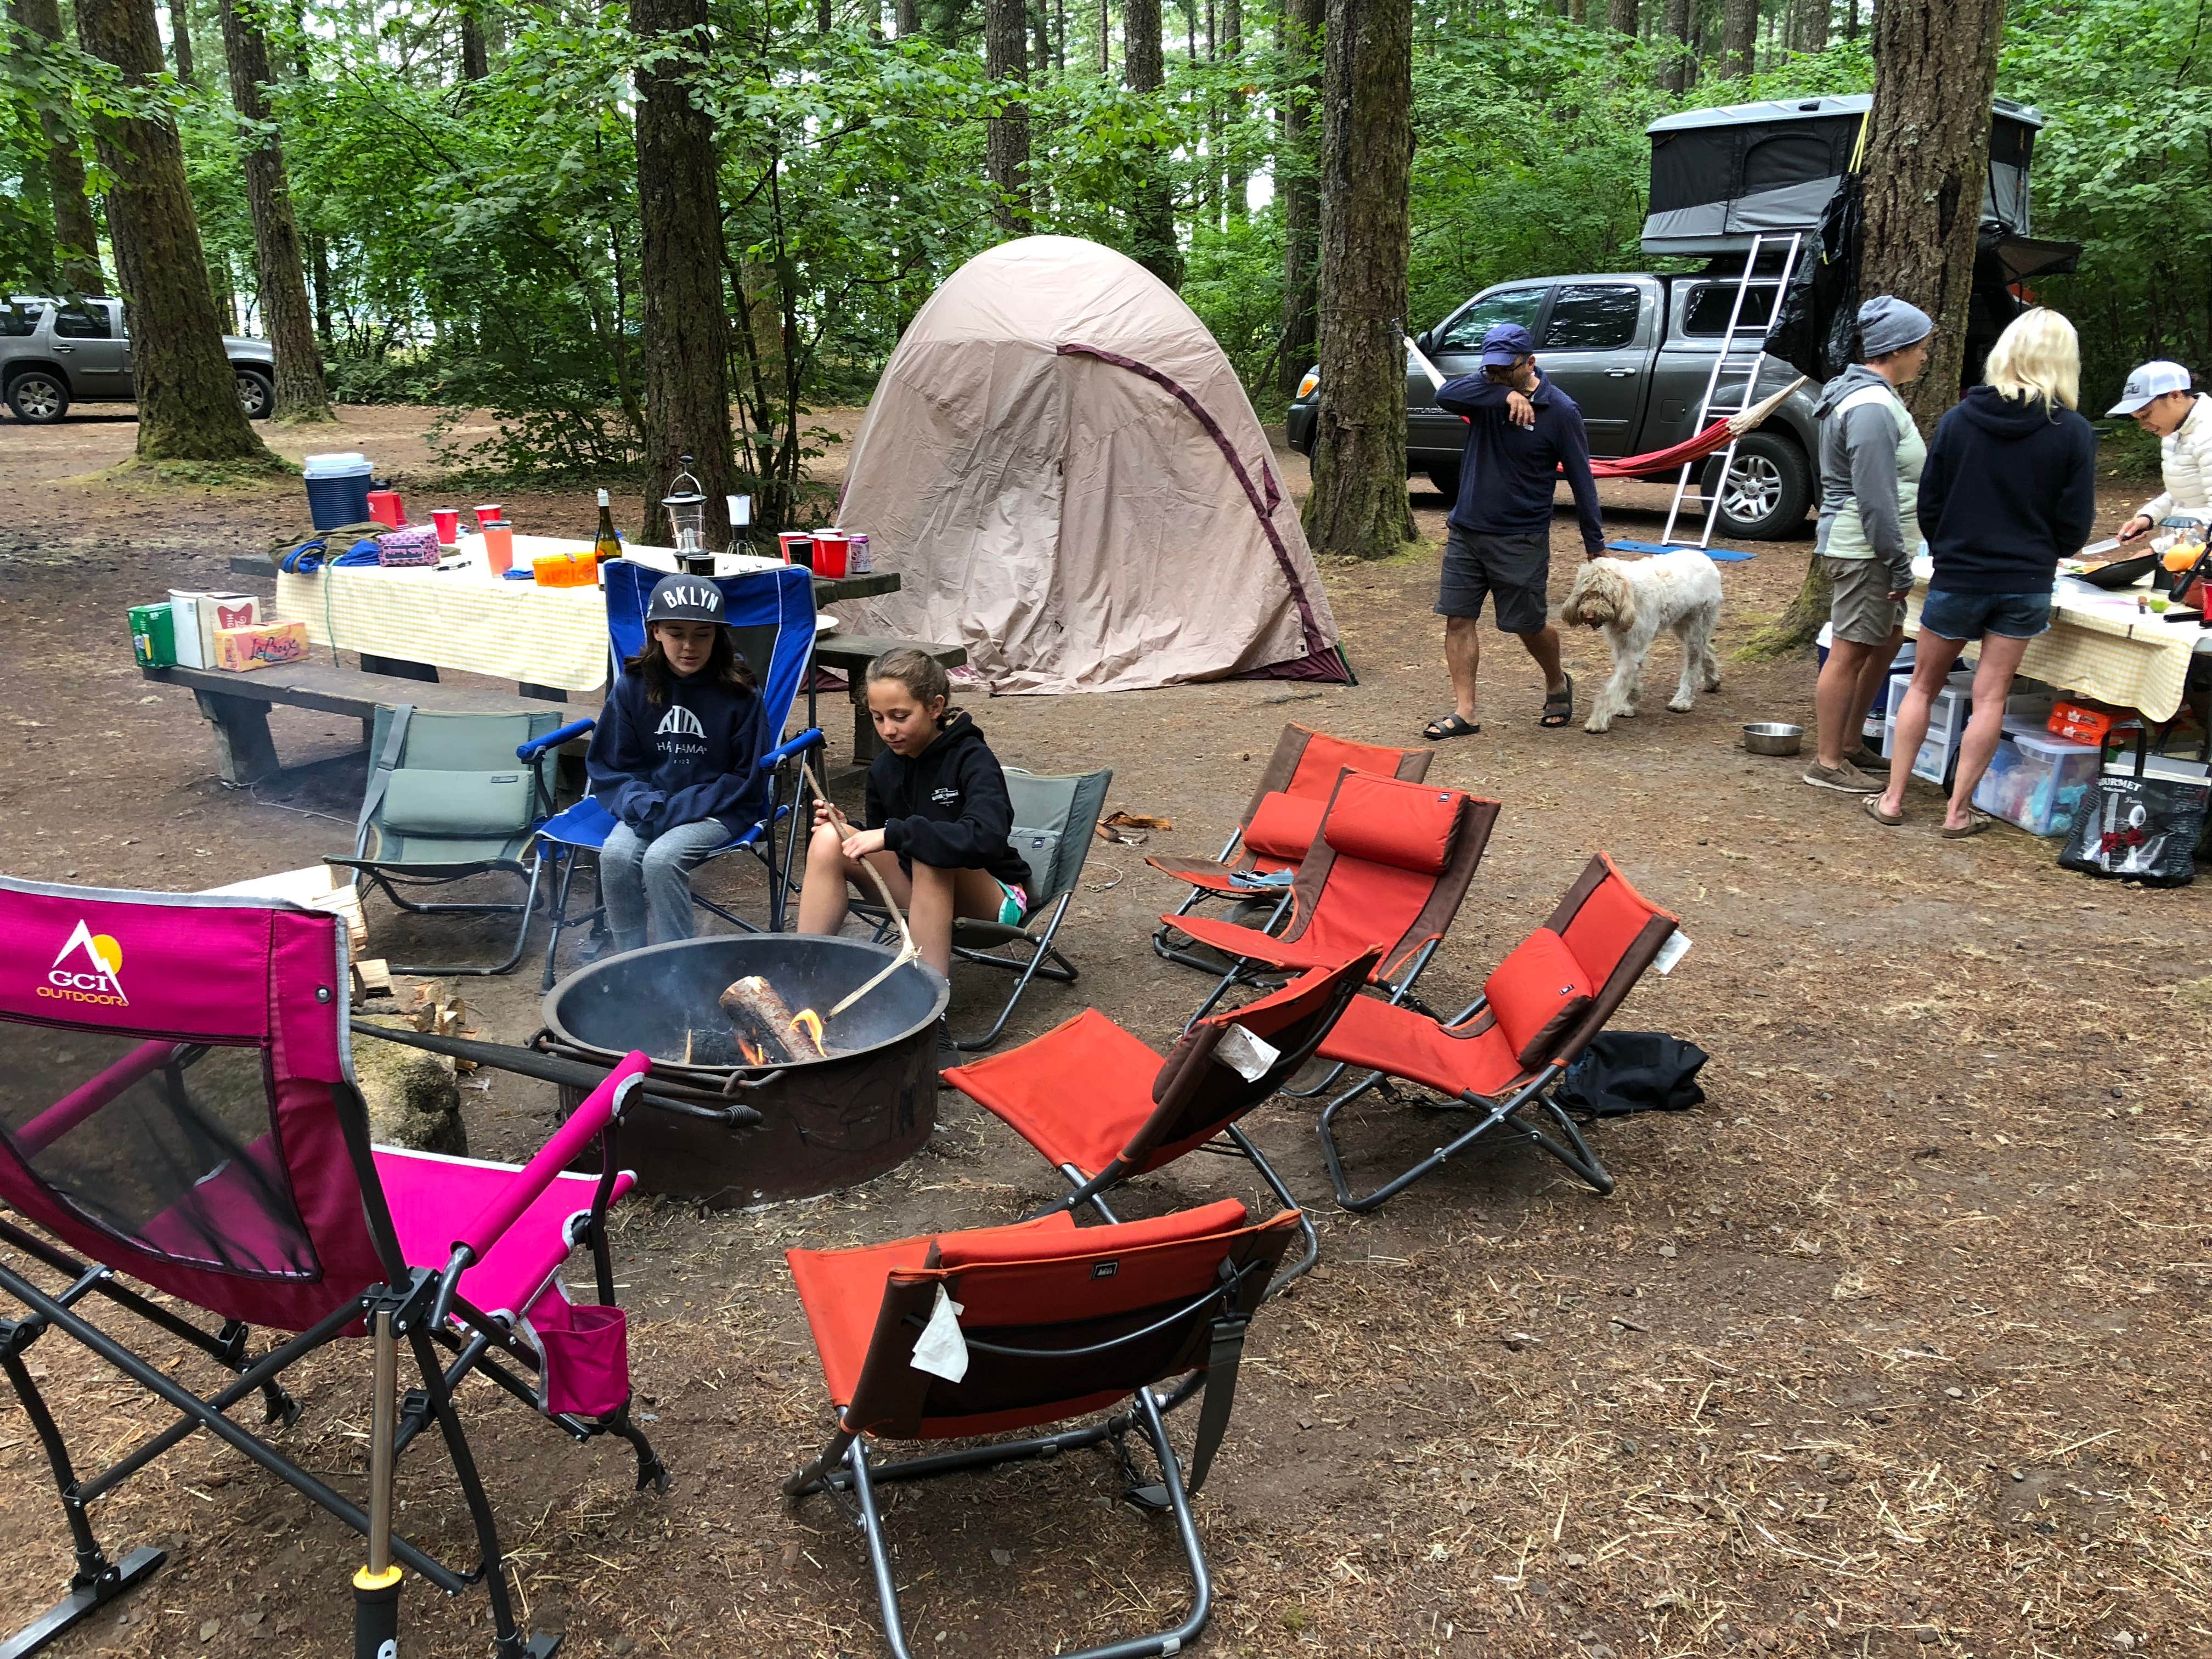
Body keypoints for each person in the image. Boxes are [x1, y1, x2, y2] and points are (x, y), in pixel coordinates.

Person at [1869, 308, 2096, 836]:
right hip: (2026, 581)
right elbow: (2074, 523)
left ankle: (1893, 799)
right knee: (1991, 696)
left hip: (1959, 575)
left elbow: (1930, 501)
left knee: (1922, 687)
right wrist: (2048, 550)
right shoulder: (2074, 432)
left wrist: (1949, 548)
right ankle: (1958, 812)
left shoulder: (1959, 420)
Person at [796, 648, 1032, 1066]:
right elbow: (886, 840)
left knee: (929, 849)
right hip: (918, 893)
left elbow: (987, 838)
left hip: (992, 896)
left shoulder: (970, 757)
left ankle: (930, 1018)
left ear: (936, 707)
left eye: (900, 716)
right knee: (831, 838)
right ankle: (802, 988)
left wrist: (900, 834)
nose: (888, 730)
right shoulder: (884, 770)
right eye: (878, 717)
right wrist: (851, 829)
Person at [1423, 321, 1605, 740]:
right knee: (1458, 619)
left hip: (1521, 537)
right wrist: (1502, 393)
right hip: (1467, 529)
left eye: (1507, 370)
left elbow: (1582, 480)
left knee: (1528, 624)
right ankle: (1466, 712)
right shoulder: (1486, 394)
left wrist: (1594, 544)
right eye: (1492, 369)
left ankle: (1557, 681)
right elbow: (1444, 394)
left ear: (1531, 362)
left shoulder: (1561, 411)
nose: (1498, 375)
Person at [585, 574, 772, 952]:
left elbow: (744, 777)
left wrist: (672, 811)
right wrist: (641, 802)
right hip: (650, 804)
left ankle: (677, 965)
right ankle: (631, 963)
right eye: (676, 633)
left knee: (661, 860)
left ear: (717, 636)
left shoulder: (740, 693)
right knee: (616, 856)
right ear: (656, 631)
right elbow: (614, 766)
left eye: (702, 634)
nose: (689, 646)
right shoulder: (633, 686)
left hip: (720, 807)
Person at [1802, 296, 1933, 793]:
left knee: (1886, 640)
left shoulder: (1875, 398)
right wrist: (1896, 561)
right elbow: (1875, 496)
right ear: (1896, 349)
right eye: (1920, 347)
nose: (1924, 356)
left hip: (1878, 545)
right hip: (1865, 547)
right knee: (1850, 649)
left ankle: (1851, 744)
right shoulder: (1871, 407)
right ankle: (1828, 762)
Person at [2109, 361, 2211, 542]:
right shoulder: (2174, 432)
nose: (2143, 425)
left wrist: (2162, 548)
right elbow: (2184, 494)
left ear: (2175, 396)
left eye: (2146, 415)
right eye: (2137, 418)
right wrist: (2149, 517)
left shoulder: (2207, 433)